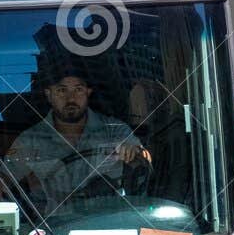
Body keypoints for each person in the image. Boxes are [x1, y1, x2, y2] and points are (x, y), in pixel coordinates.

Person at [8, 65, 148, 209]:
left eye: (78, 90)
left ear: (88, 92)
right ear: (49, 95)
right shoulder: (30, 140)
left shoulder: (114, 131)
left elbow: (144, 158)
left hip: (108, 220)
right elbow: (3, 183)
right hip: (50, 225)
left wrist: (133, 151)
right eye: (62, 90)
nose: (71, 98)